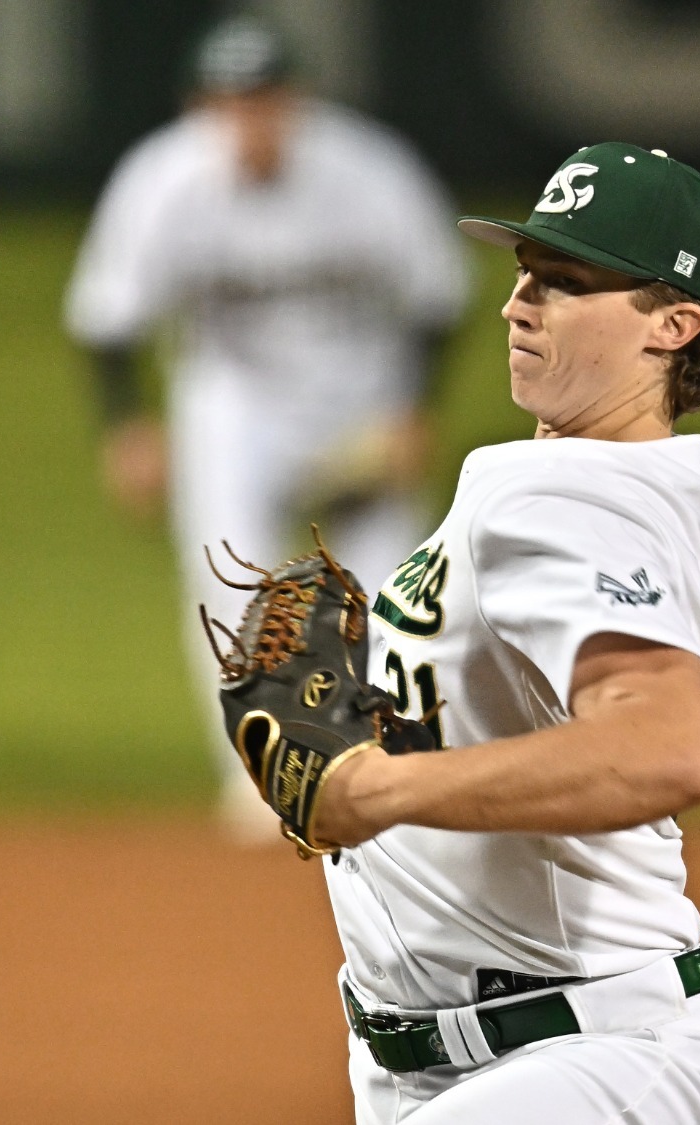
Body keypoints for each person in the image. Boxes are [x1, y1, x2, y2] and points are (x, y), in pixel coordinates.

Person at [293, 42, 700, 1123]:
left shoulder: (562, 497)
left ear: (673, 326)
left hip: (584, 1069)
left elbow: (667, 745)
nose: (517, 303)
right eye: (522, 270)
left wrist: (377, 791)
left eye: (566, 282)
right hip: (502, 1065)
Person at [64, 15, 468, 837]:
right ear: (201, 107)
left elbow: (440, 296)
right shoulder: (163, 178)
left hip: (358, 401)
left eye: (263, 100)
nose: (248, 119)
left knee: (394, 593)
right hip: (234, 404)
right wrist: (128, 428)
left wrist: (413, 412)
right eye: (229, 102)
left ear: (297, 102)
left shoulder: (368, 169)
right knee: (227, 576)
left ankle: (393, 773)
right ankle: (259, 780)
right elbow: (107, 318)